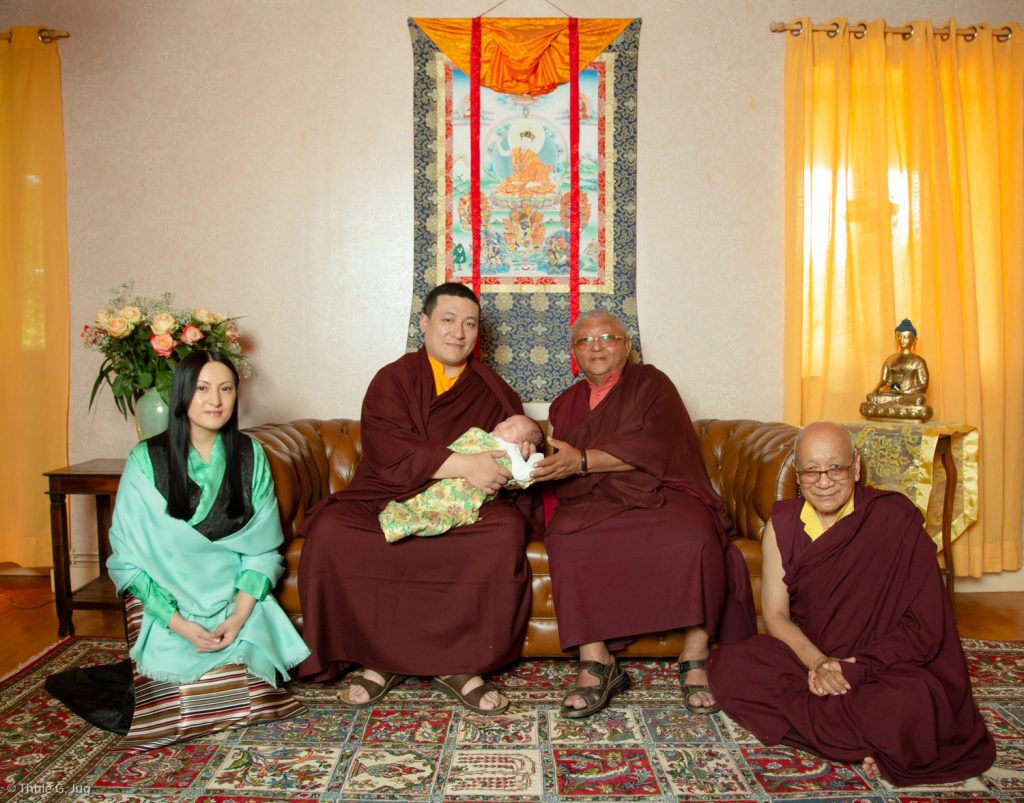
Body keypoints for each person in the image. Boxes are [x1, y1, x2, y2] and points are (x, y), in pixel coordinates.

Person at [706, 421, 994, 785]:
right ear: (798, 472)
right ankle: (869, 740)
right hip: (817, 657)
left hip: (885, 665)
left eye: (835, 468)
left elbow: (925, 626)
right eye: (811, 470)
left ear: (856, 466)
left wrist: (855, 668)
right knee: (731, 665)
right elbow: (776, 616)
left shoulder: (893, 518)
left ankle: (856, 736)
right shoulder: (784, 524)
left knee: (913, 703)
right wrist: (821, 663)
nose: (823, 481)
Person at [297, 282, 532, 716]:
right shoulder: (394, 379)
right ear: (424, 324)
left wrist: (516, 458)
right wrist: (467, 464)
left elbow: (515, 452)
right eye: (447, 320)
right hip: (389, 493)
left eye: (469, 324)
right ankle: (379, 659)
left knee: (505, 531)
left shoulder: (492, 388)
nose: (458, 333)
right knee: (333, 531)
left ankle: (459, 665)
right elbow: (388, 449)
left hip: (461, 506)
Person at [530, 311, 756, 718]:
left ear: (627, 346)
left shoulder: (652, 384)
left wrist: (580, 461)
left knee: (698, 534)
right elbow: (559, 458)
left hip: (660, 489)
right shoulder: (565, 403)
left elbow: (656, 446)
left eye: (607, 337)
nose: (596, 346)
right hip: (596, 498)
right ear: (575, 353)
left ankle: (695, 653)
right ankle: (597, 660)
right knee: (565, 537)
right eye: (585, 341)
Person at [105, 350, 310, 751]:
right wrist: (177, 622)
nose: (215, 400)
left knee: (253, 697)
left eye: (225, 389)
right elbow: (128, 556)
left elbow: (263, 551)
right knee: (177, 701)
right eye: (202, 389)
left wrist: (237, 614)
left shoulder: (251, 456)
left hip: (235, 595)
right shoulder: (146, 460)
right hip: (169, 599)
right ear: (183, 392)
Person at [379, 414, 544, 542]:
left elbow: (524, 474)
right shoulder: (484, 436)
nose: (503, 423)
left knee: (509, 528)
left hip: (470, 490)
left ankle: (422, 521)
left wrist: (533, 458)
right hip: (444, 472)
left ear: (519, 442)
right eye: (507, 420)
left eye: (511, 427)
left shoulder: (511, 450)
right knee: (429, 495)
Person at [865, 319, 929, 406]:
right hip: (892, 394)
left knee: (919, 399)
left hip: (908, 395)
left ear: (915, 340)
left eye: (906, 337)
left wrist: (905, 392)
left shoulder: (919, 361)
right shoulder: (890, 359)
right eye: (899, 337)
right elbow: (884, 380)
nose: (902, 340)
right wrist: (875, 390)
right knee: (871, 398)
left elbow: (923, 385)